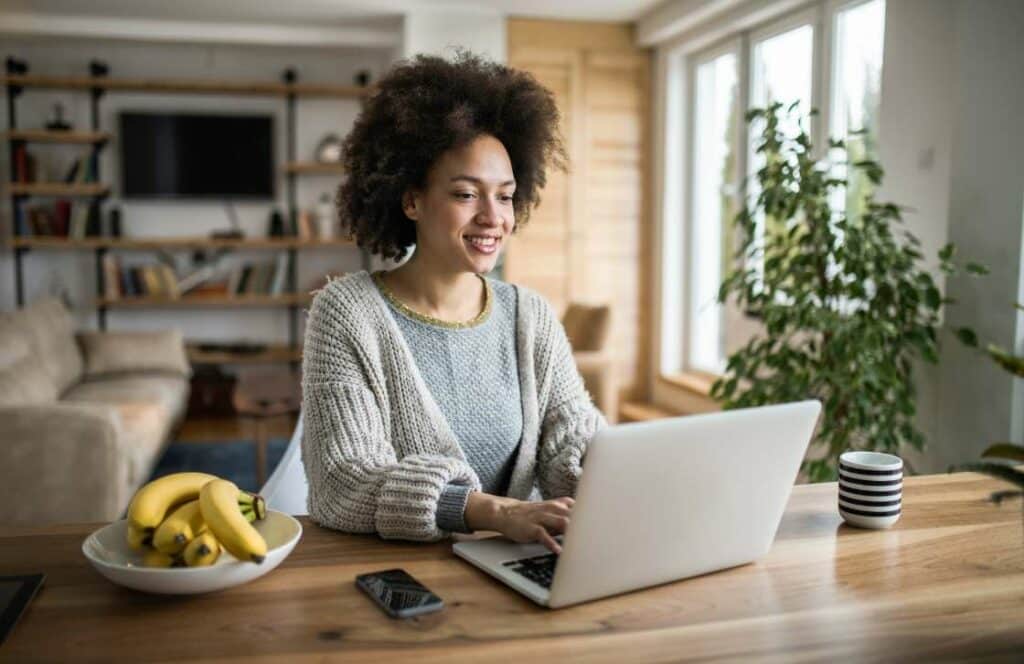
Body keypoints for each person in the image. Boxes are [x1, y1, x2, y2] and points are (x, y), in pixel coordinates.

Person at [301, 51, 606, 554]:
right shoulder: (347, 313)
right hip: (402, 578)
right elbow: (344, 481)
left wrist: (604, 472)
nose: (493, 217)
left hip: (520, 566)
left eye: (505, 196)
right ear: (411, 200)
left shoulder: (530, 316)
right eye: (467, 194)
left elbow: (569, 437)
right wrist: (492, 512)